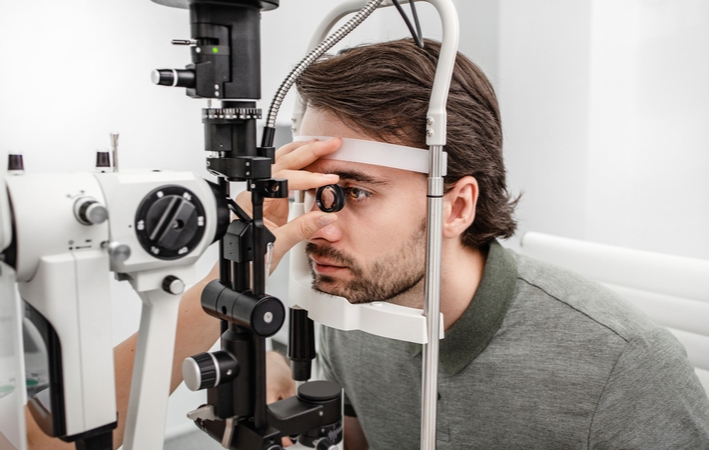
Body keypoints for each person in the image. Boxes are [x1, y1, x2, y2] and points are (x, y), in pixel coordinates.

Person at [27, 38, 708, 449]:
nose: (319, 223)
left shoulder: (624, 369)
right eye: (309, 189)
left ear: (457, 205)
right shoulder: (355, 305)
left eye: (352, 190)